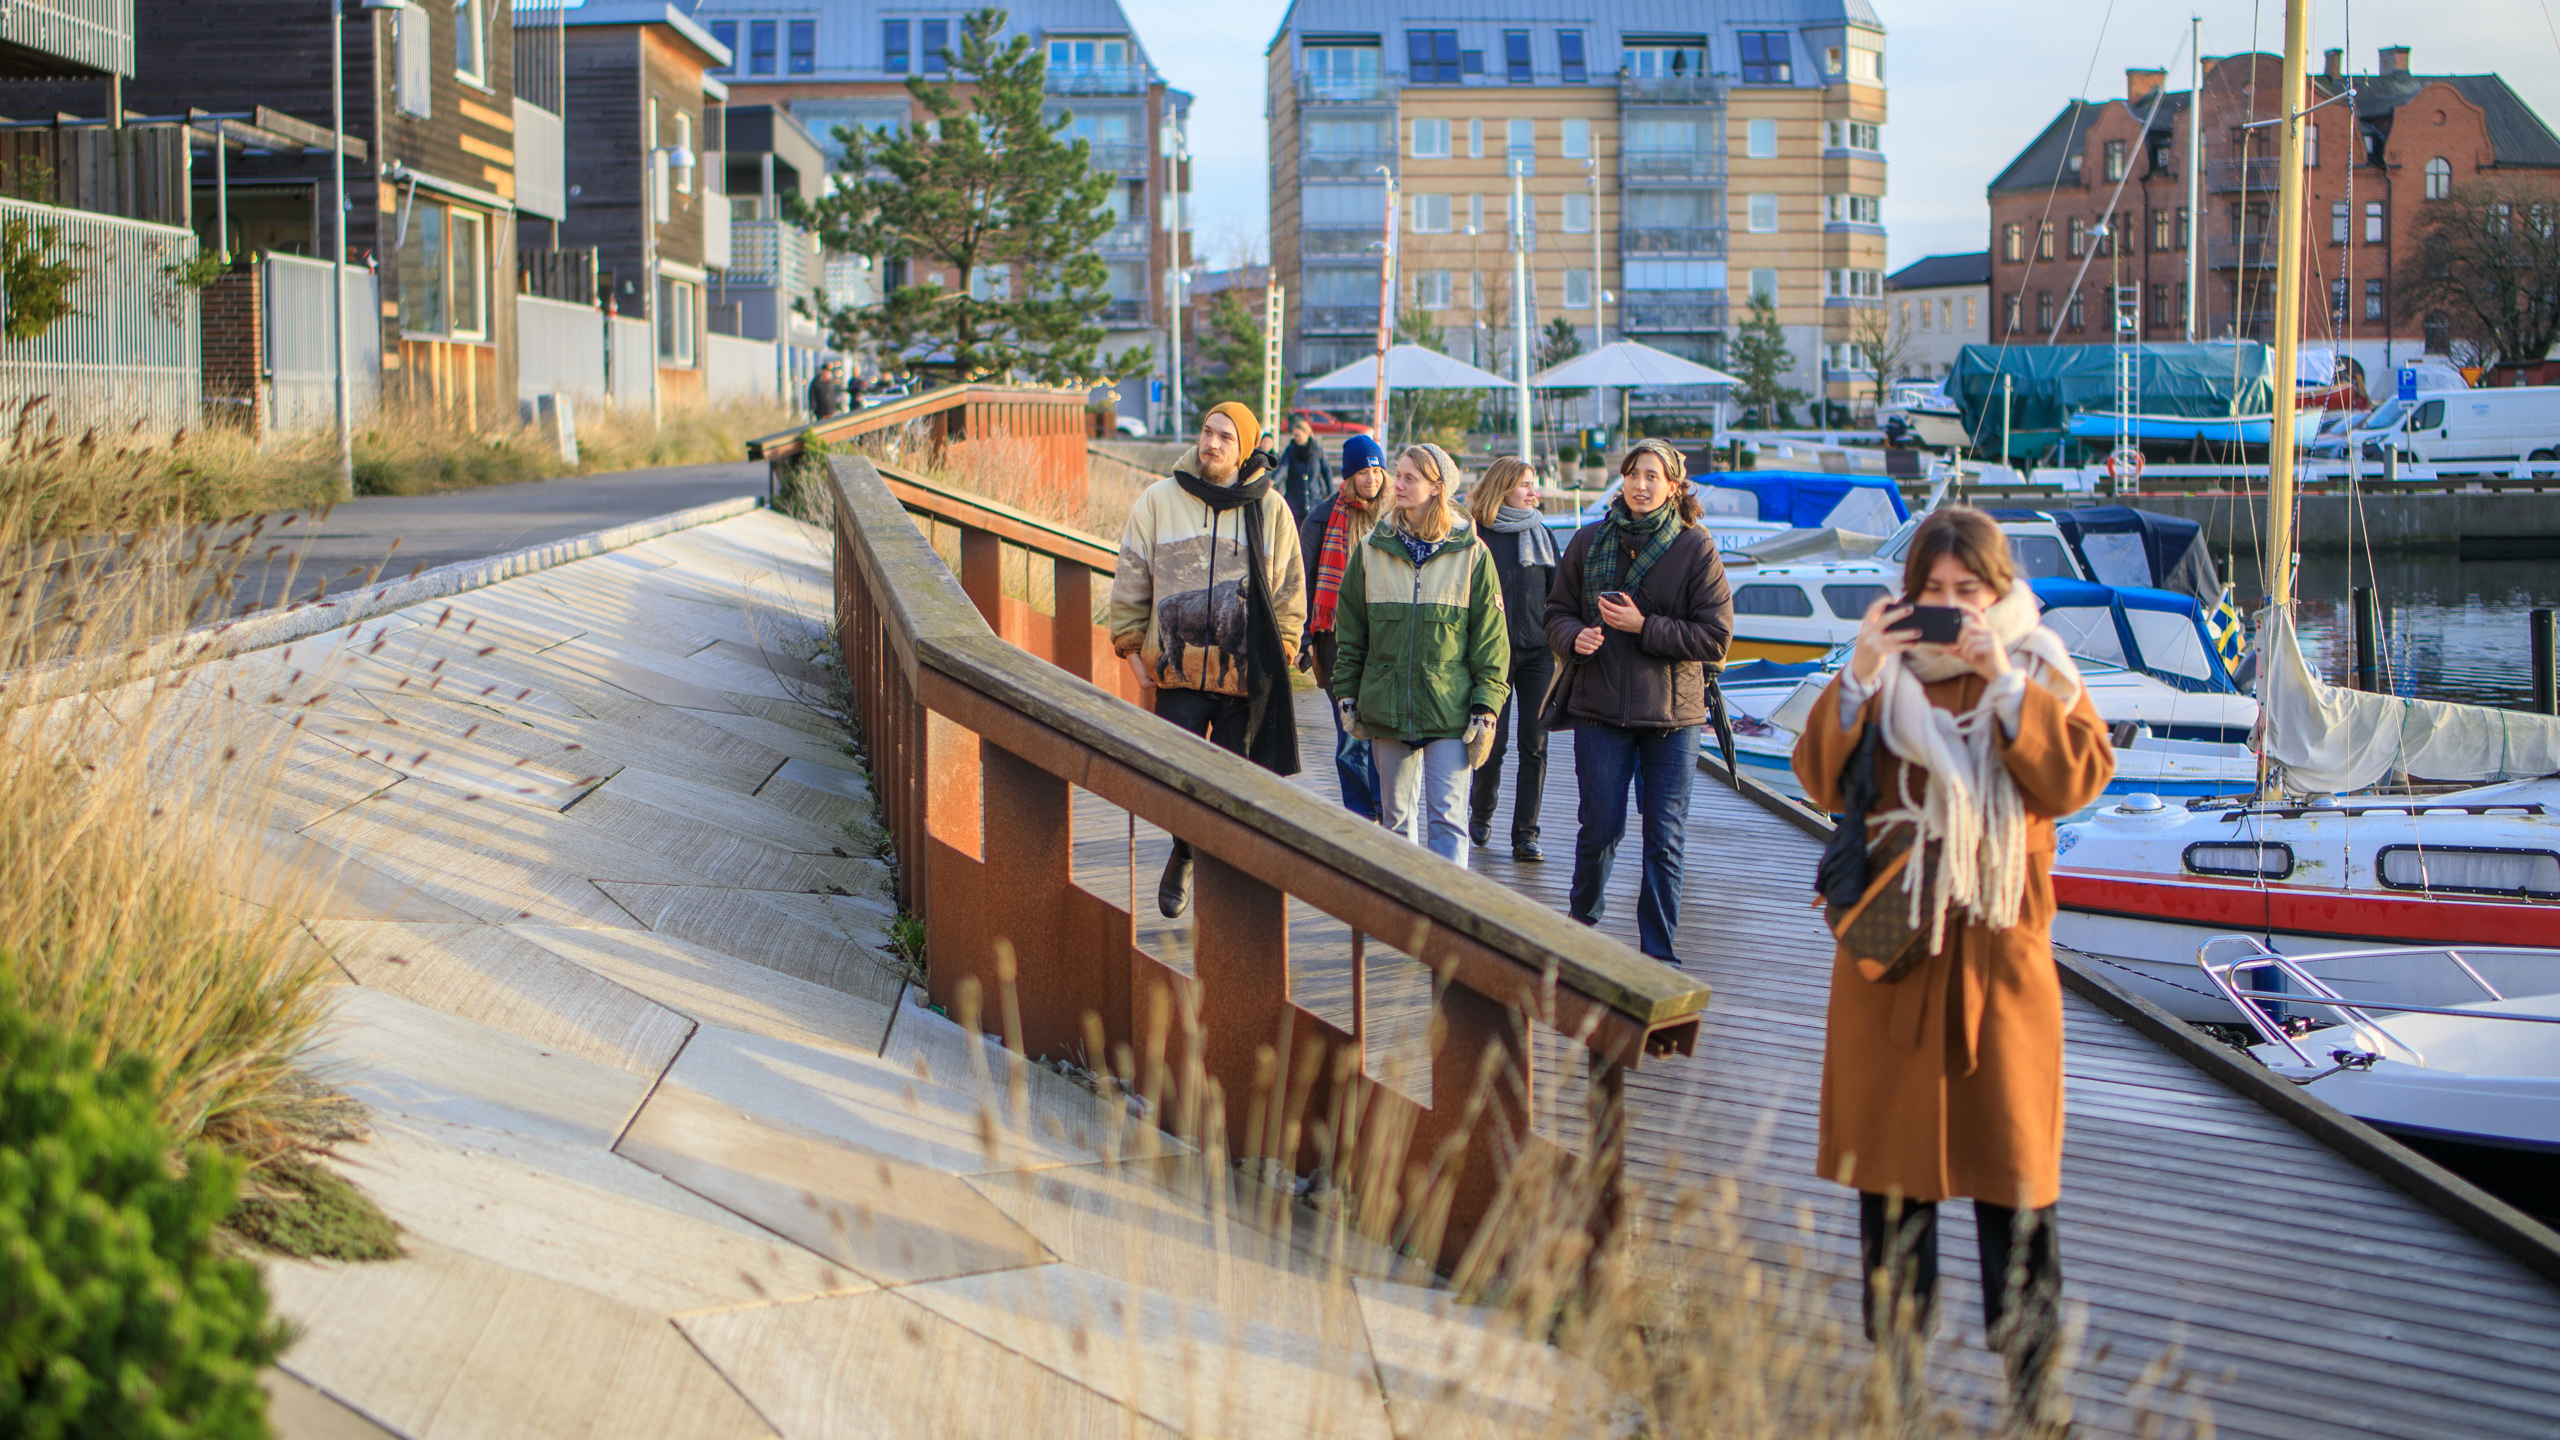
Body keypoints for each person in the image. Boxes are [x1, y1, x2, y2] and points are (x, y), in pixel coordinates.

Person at [1788, 506, 2112, 1425]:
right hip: (1892, 959)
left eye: (1967, 591)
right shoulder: (1881, 672)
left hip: (2001, 957)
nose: (1948, 607)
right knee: (1893, 1191)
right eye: (1930, 591)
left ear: (2000, 589)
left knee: (2018, 1188)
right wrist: (1858, 672)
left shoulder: (2037, 665)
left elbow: (2077, 779)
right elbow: (1817, 777)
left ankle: (2035, 1396)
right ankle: (1896, 1384)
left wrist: (2002, 681)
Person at [1106, 401, 1306, 918]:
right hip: (1178, 674)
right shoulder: (1159, 500)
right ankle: (1186, 850)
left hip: (1245, 675)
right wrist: (1130, 644)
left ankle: (1214, 876)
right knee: (1178, 777)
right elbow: (1132, 573)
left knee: (1233, 782)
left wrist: (1284, 647)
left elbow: (1289, 589)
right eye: (1207, 431)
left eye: (1225, 437)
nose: (1211, 443)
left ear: (1247, 449)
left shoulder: (1272, 510)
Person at [1542, 438, 1732, 964]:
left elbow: (1715, 638)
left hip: (1672, 719)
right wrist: (1573, 636)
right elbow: (1556, 611)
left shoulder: (1695, 548)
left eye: (1652, 476)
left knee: (1664, 839)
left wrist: (1643, 626)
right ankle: (1580, 933)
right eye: (1632, 474)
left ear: (1674, 486)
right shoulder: (1588, 541)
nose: (1640, 485)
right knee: (1600, 829)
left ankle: (1659, 957)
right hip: (1599, 710)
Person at [1331, 444, 1508, 866]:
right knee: (1395, 821)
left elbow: (1490, 639)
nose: (1398, 484)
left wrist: (1487, 707)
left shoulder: (1472, 553)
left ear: (1437, 487)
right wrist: (1347, 693)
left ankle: (1446, 908)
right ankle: (1402, 907)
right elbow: (1351, 631)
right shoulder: (1371, 549)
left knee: (1447, 819)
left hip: (1451, 707)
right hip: (1387, 706)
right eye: (1399, 474)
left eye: (1410, 478)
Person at [1463, 457, 1559, 863]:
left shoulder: (1543, 534)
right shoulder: (1477, 535)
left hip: (1538, 653)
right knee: (1493, 740)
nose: (1534, 492)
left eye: (1533, 484)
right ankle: (1482, 811)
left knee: (1535, 743)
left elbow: (1557, 596)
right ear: (1503, 488)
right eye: (1525, 485)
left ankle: (1526, 834)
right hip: (1492, 653)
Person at [1300, 433, 1388, 819]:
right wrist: (1304, 637)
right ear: (1349, 476)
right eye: (1363, 472)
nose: (1372, 479)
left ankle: (1385, 809)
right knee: (1351, 733)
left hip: (1385, 638)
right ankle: (1361, 815)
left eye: (1377, 471)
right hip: (1337, 641)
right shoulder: (1321, 519)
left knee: (1383, 729)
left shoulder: (1395, 517)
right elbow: (1302, 582)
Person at [1277, 415, 1332, 522]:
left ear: (1307, 434)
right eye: (1294, 435)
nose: (1296, 438)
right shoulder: (1291, 450)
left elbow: (1327, 471)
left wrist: (1331, 492)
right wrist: (1273, 481)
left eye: (1298, 435)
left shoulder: (1317, 450)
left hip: (1314, 499)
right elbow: (1283, 467)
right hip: (1295, 500)